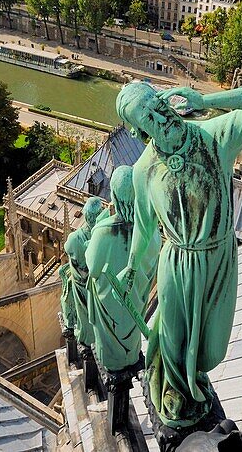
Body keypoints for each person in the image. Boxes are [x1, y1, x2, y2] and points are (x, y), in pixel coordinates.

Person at [116, 81, 242, 444]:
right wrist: (131, 266)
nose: (162, 115)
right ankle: (175, 398)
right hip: (176, 263)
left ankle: (178, 369)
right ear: (139, 130)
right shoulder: (143, 171)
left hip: (219, 258)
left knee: (212, 352)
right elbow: (145, 233)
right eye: (149, 115)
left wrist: (205, 100)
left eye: (158, 103)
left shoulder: (211, 137)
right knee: (174, 351)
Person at [85, 165, 159, 438]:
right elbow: (151, 271)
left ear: (114, 196)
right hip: (135, 306)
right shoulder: (151, 230)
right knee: (130, 345)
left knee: (113, 359)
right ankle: (128, 356)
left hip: (109, 310)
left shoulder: (105, 231)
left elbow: (91, 269)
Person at [64, 197, 106, 391]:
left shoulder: (74, 238)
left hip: (79, 286)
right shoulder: (101, 239)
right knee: (94, 319)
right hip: (95, 288)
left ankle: (85, 341)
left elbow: (68, 250)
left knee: (83, 319)